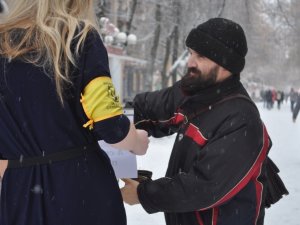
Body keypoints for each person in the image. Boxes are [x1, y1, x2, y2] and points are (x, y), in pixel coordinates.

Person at [121, 18, 288, 225]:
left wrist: (143, 194)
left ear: (225, 63)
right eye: (190, 53)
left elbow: (204, 188)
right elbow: (145, 108)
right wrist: (111, 122)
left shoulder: (242, 119)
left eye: (200, 56)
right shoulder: (192, 91)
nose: (190, 62)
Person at [0, 1, 149, 225]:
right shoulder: (78, 36)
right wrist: (137, 141)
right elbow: (109, 122)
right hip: (79, 187)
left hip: (19, 190)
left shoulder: (3, 41)